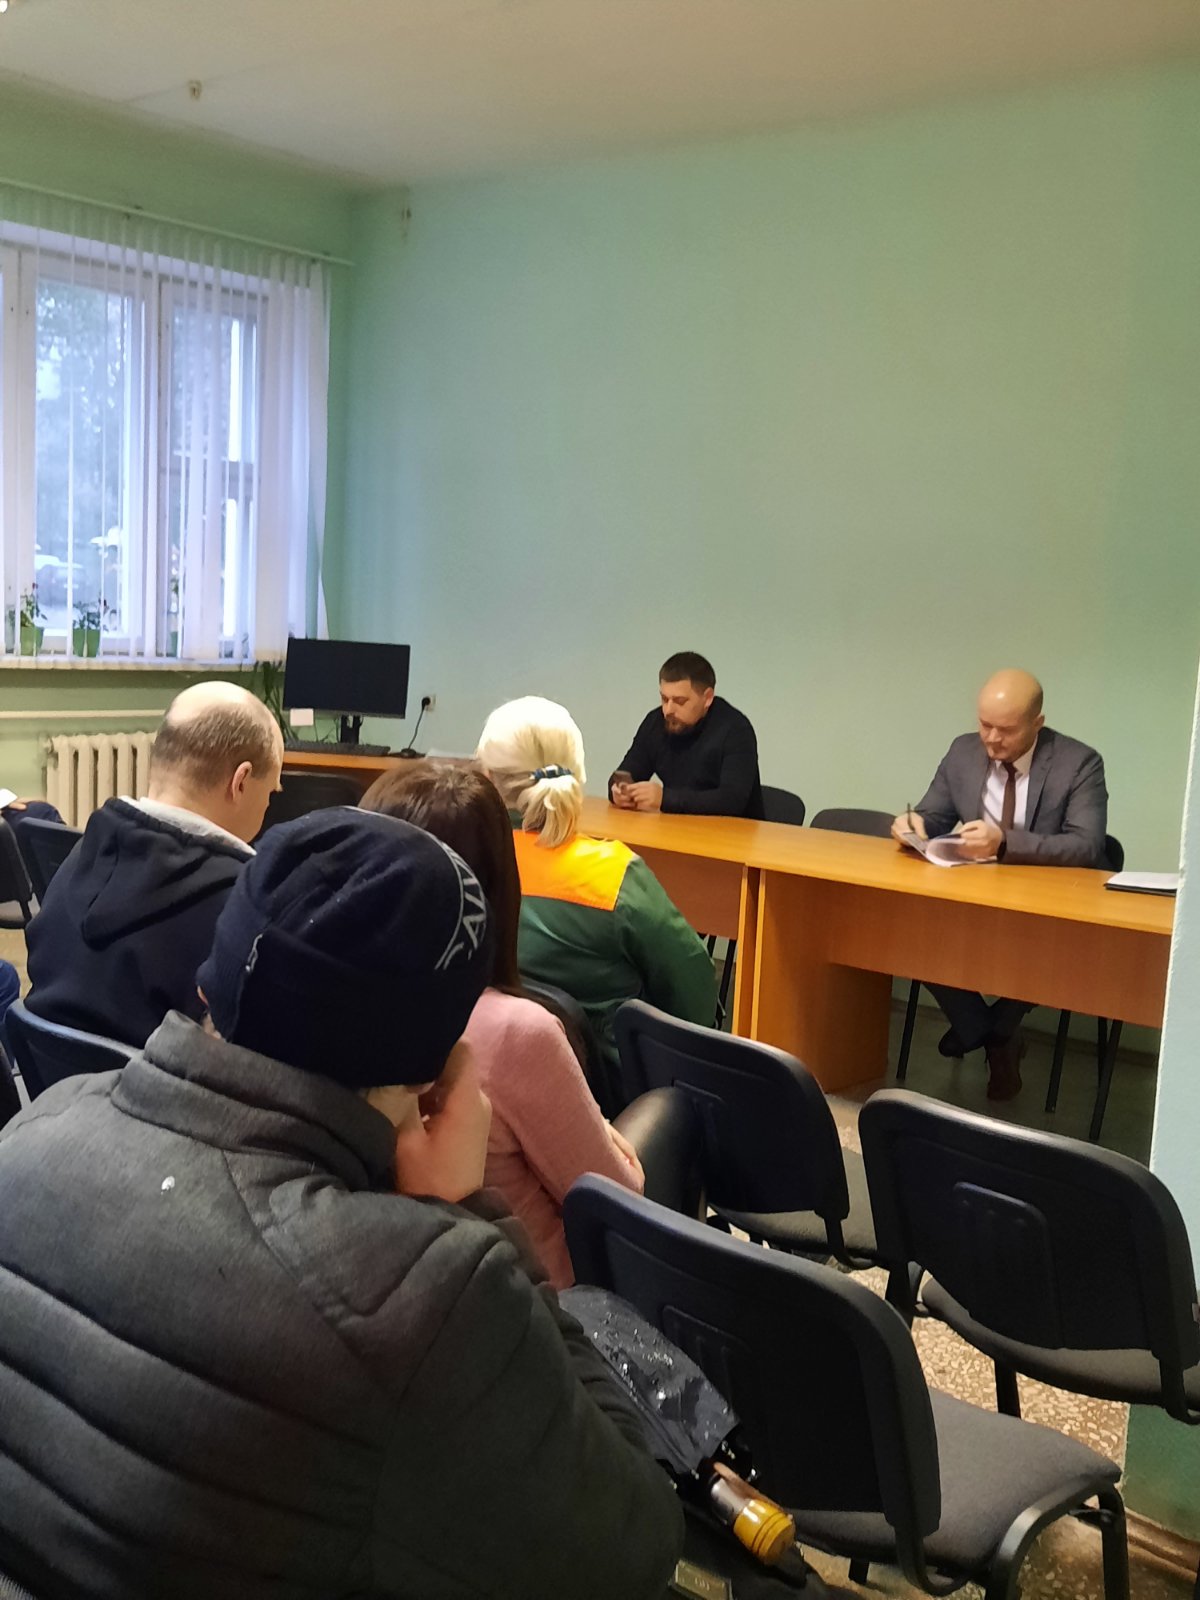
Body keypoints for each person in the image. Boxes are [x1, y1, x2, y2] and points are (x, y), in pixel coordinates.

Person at [0, 809, 683, 1599]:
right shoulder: (425, 1290)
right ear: (438, 1074)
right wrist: (463, 1209)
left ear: (210, 984)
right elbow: (632, 1545)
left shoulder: (37, 1126)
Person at [360, 761, 645, 1288]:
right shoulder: (517, 1033)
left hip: (393, 1290)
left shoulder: (327, 1010)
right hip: (535, 1308)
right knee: (666, 1116)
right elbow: (620, 1199)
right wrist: (608, 1135)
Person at [24, 681, 282, 1046]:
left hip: (50, 1079)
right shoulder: (242, 908)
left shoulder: (80, 853)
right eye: (271, 791)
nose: (269, 804)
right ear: (240, 782)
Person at [891, 668, 1108, 1100]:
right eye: (984, 724)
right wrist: (912, 825)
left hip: (1048, 904)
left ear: (1037, 724)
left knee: (1048, 952)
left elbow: (1087, 845)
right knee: (911, 928)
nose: (991, 739)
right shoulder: (962, 751)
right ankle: (992, 1032)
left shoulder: (1079, 763)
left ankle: (985, 1031)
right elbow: (934, 815)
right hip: (975, 893)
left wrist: (1005, 842)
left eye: (1006, 730)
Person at [477, 696, 718, 1074]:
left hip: (484, 1072)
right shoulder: (614, 875)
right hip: (603, 1092)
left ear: (488, 779)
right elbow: (694, 990)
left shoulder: (460, 863)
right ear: (577, 776)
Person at [610, 651, 764, 818]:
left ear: (707, 698)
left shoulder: (736, 729)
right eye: (664, 699)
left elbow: (731, 801)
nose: (668, 710)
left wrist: (664, 798)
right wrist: (618, 792)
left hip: (733, 831)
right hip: (676, 826)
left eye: (680, 701)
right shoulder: (655, 723)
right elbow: (627, 770)